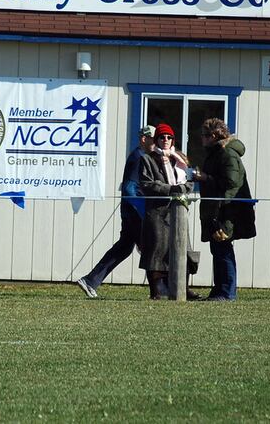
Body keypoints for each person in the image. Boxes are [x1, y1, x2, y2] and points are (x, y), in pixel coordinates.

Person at [75, 126, 156, 298]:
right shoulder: (139, 158)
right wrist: (141, 211)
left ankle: (91, 280)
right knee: (150, 248)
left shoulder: (141, 156)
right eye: (153, 139)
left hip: (130, 211)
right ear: (144, 139)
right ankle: (158, 291)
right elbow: (129, 188)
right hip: (134, 213)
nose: (156, 143)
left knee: (125, 248)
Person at [195, 118, 256, 302]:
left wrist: (206, 178)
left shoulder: (227, 154)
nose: (202, 139)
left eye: (205, 136)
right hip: (218, 209)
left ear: (213, 136)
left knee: (223, 248)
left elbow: (231, 184)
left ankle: (227, 292)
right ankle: (219, 289)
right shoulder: (216, 153)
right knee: (218, 248)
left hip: (228, 210)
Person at [138, 123, 197, 300]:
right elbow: (147, 184)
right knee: (157, 251)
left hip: (178, 213)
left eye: (169, 137)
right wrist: (171, 190)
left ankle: (182, 288)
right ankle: (158, 290)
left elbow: (190, 181)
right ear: (156, 140)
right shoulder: (147, 159)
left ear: (173, 140)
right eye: (162, 137)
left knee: (181, 250)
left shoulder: (180, 160)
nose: (166, 140)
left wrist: (182, 189)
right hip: (156, 213)